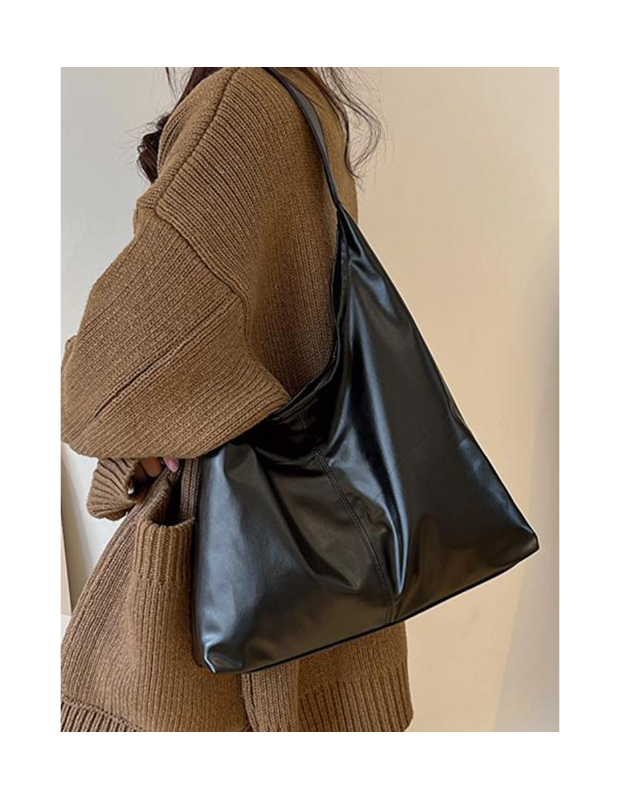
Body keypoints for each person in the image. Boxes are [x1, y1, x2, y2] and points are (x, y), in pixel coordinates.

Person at [61, 67, 413, 732]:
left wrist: (142, 441)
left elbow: (94, 391)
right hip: (322, 593)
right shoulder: (306, 102)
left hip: (228, 621)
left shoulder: (243, 104)